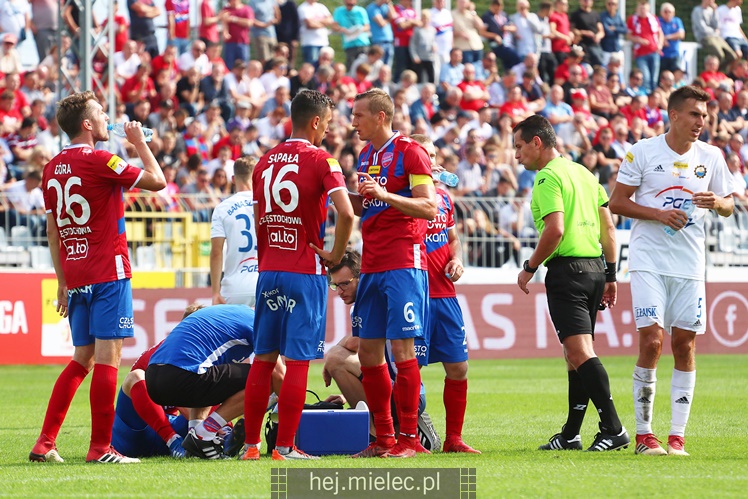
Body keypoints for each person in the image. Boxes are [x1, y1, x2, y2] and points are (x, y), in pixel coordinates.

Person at [30, 91, 166, 464]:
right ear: (87, 124)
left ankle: (45, 443)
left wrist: (61, 281)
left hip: (76, 275)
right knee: (108, 360)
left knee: (82, 359)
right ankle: (101, 449)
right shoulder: (103, 159)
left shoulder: (52, 166)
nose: (108, 119)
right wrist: (138, 143)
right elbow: (158, 181)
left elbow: (53, 231)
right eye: (102, 114)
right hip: (109, 270)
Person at [609, 85, 735, 456]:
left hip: (691, 264)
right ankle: (645, 435)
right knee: (652, 341)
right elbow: (616, 202)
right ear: (674, 115)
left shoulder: (711, 157)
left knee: (685, 345)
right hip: (648, 260)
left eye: (705, 116)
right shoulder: (643, 151)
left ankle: (677, 436)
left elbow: (730, 204)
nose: (702, 122)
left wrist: (718, 203)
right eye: (695, 114)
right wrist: (658, 214)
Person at [239, 89, 354, 461]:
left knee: (263, 358)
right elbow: (348, 214)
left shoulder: (263, 162)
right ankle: (286, 447)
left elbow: (259, 218)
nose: (328, 132)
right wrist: (335, 256)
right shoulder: (323, 160)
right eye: (328, 125)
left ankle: (251, 446)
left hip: (269, 268)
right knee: (300, 359)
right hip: (304, 270)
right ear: (316, 121)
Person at [514, 114, 629, 453]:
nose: (517, 155)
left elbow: (555, 230)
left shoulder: (547, 177)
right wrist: (609, 275)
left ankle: (614, 427)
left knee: (579, 352)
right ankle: (571, 434)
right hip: (594, 269)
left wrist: (529, 267)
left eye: (520, 147)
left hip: (569, 272)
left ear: (538, 142)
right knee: (574, 354)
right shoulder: (584, 173)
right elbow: (609, 229)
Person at [349, 88, 437, 458]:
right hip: (371, 261)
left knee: (401, 349)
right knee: (369, 352)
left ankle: (410, 441)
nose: (353, 123)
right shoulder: (366, 154)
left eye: (359, 116)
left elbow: (429, 206)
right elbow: (364, 207)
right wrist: (332, 197)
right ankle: (383, 438)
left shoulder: (410, 151)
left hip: (403, 260)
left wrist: (385, 195)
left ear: (381, 117)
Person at [322, 250, 440, 452]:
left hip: (404, 393)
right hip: (395, 389)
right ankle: (393, 432)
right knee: (338, 358)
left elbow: (355, 344)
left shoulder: (378, 302)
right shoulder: (363, 306)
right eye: (335, 285)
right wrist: (346, 395)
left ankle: (386, 436)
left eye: (345, 283)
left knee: (335, 358)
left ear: (362, 278)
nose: (340, 290)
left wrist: (333, 356)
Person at [411, 134, 480, 454]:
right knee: (410, 367)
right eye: (426, 154)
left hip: (445, 294)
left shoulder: (444, 198)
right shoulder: (403, 196)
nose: (433, 160)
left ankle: (453, 439)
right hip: (415, 292)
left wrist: (457, 258)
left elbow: (452, 237)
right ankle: (409, 437)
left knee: (459, 367)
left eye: (435, 154)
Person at [146, 305, 284, 459]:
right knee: (265, 377)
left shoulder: (232, 315)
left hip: (152, 379)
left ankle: (195, 440)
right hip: (181, 375)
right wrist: (292, 417)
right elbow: (279, 376)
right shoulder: (260, 323)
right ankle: (204, 434)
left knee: (208, 373)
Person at [210, 156, 259, 307]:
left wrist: (215, 292)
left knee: (232, 331)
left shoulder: (222, 208)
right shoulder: (266, 205)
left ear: (232, 179)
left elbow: (217, 252)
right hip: (264, 284)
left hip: (233, 288)